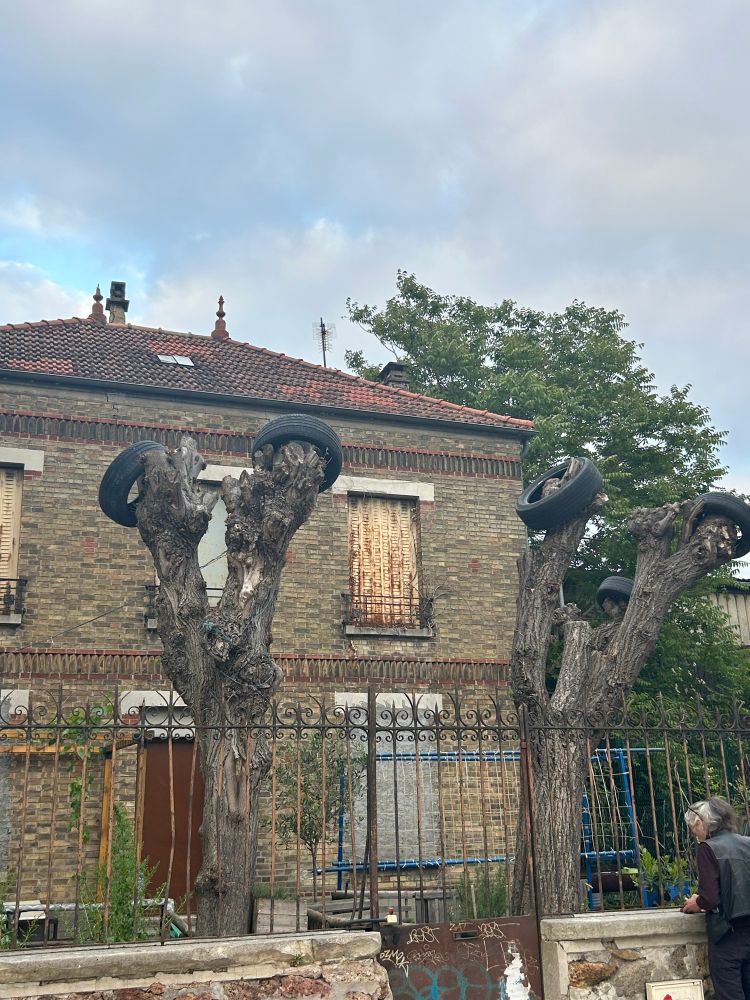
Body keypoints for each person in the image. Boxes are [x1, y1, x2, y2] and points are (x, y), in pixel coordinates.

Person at [682, 797, 750, 1000]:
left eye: (693, 827)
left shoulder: (708, 848)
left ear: (701, 823)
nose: (694, 833)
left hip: (728, 934)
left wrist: (697, 902)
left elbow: (710, 899)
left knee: (730, 994)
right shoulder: (747, 843)